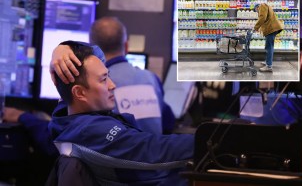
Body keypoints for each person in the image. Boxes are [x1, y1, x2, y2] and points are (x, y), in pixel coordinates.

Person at [48, 41, 193, 185]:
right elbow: (152, 149)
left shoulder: (66, 116)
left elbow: (97, 57)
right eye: (104, 80)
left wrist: (63, 48)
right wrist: (207, 139)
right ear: (80, 92)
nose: (112, 85)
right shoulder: (91, 130)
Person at [50, 17, 175, 134]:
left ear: (91, 48)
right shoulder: (152, 78)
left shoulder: (92, 84)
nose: (111, 85)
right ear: (126, 46)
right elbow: (168, 124)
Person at [253, 3, 283, 72]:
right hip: (272, 28)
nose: (257, 12)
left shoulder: (262, 6)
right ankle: (267, 62)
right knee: (269, 46)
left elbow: (262, 17)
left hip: (271, 29)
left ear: (257, 7)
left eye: (256, 11)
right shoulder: (265, 6)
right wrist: (260, 29)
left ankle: (269, 66)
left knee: (269, 47)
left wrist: (256, 27)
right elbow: (266, 18)